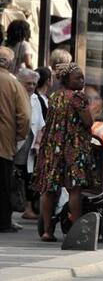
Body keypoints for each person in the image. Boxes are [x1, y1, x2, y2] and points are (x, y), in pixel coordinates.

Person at [32, 62, 92, 241]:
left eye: (83, 77)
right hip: (72, 147)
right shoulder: (77, 98)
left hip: (53, 146)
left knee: (50, 189)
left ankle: (47, 231)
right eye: (78, 78)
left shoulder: (54, 96)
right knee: (74, 189)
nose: (82, 81)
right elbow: (88, 122)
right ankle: (76, 231)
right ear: (67, 80)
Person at [0, 48, 30, 232]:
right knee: (3, 184)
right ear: (10, 63)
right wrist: (19, 135)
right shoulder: (13, 83)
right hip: (4, 142)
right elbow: (25, 116)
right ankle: (3, 222)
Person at [15, 67, 45, 221]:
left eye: (34, 84)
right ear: (19, 82)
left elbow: (41, 124)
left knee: (28, 177)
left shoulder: (35, 99)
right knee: (12, 176)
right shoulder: (14, 95)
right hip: (15, 142)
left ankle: (27, 208)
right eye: (28, 83)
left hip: (30, 145)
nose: (31, 87)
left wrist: (38, 143)